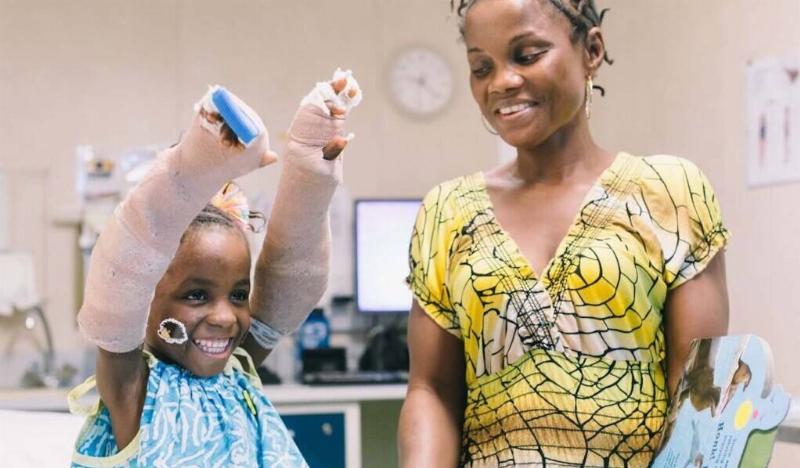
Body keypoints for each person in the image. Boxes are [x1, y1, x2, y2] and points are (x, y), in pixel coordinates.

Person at [397, 0, 730, 466]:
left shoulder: (668, 194)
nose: (502, 82)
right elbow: (432, 390)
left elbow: (695, 392)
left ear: (591, 49)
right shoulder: (447, 213)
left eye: (527, 55)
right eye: (481, 67)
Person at [69, 71, 361, 467]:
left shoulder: (236, 370)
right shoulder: (133, 387)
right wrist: (198, 163)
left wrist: (311, 170)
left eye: (239, 294)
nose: (225, 317)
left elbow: (292, 280)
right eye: (196, 294)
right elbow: (122, 269)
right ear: (145, 295)